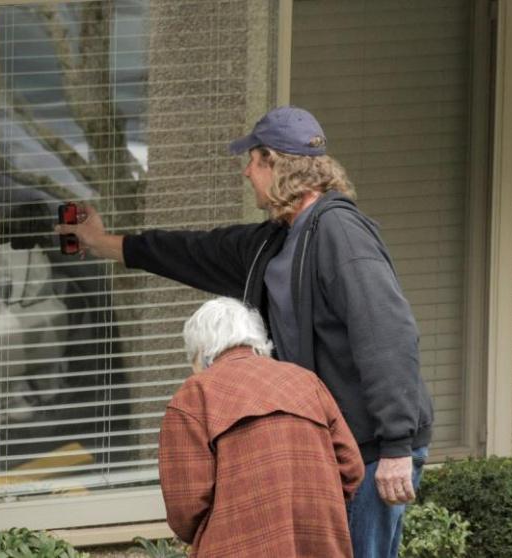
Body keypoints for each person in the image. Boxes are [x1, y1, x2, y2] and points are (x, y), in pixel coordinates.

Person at [55, 105, 434, 558]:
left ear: (275, 162)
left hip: (371, 450)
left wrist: (396, 447)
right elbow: (193, 252)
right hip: (327, 447)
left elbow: (387, 335)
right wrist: (101, 243)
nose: (245, 173)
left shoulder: (340, 232)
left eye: (252, 161)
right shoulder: (276, 240)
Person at [160, 297, 364, 557]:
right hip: (318, 544)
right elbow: (351, 468)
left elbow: (185, 505)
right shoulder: (306, 382)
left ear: (202, 351)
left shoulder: (195, 395)